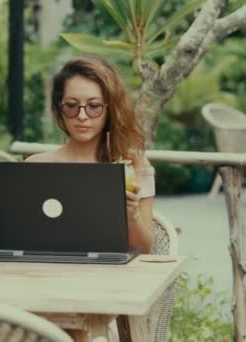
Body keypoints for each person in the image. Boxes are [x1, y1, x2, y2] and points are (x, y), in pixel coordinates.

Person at [25, 55, 155, 254]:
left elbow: (145, 248)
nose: (82, 116)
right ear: (59, 109)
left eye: (94, 106)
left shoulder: (133, 164)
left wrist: (132, 215)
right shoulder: (36, 166)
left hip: (111, 279)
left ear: (110, 110)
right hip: (48, 275)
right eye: (71, 106)